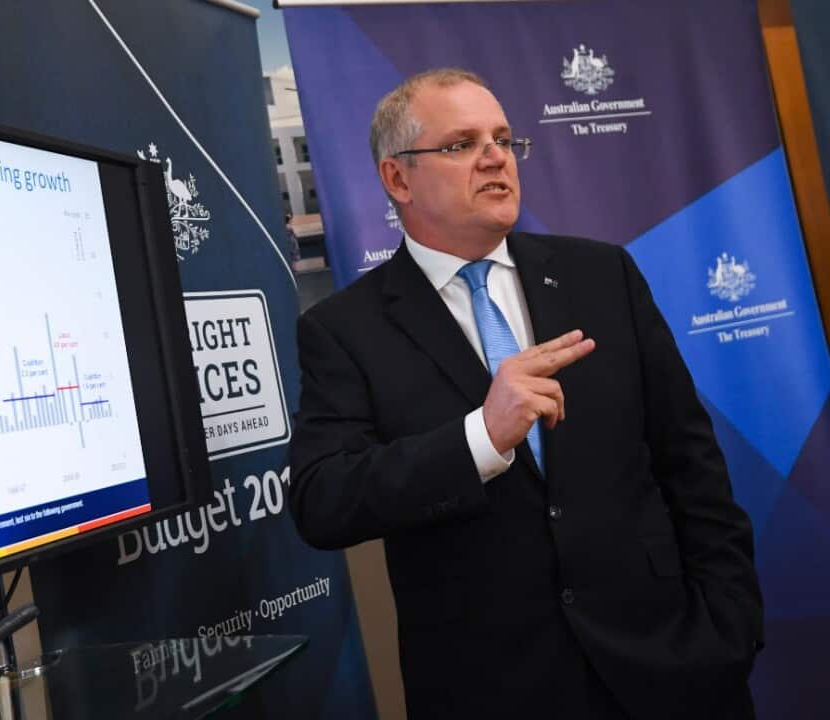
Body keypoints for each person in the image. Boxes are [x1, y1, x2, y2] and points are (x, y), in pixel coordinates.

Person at [288, 68, 763, 719]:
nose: (494, 157)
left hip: (670, 666)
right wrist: (480, 436)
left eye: (504, 139)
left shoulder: (602, 275)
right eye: (460, 144)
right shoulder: (343, 330)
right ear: (397, 179)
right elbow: (325, 501)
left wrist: (731, 626)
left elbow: (691, 463)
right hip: (492, 687)